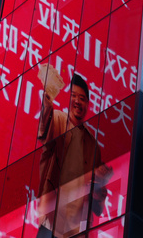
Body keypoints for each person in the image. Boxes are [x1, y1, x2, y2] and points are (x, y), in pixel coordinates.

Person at [35, 65, 112, 238]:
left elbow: (97, 201)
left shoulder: (93, 144)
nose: (78, 101)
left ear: (87, 104)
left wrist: (100, 185)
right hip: (52, 219)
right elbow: (44, 131)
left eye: (82, 98)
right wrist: (48, 98)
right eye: (74, 96)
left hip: (76, 228)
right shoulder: (58, 119)